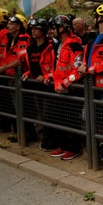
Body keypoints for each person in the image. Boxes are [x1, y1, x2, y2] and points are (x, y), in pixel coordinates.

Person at [78, 4, 103, 162]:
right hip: (91, 85)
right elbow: (86, 57)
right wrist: (84, 67)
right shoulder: (92, 39)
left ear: (101, 18)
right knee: (93, 116)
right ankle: (101, 142)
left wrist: (88, 69)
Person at [48, 14, 85, 161]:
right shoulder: (60, 44)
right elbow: (59, 67)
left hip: (71, 90)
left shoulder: (74, 43)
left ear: (62, 28)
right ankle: (63, 146)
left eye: (54, 28)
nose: (52, 31)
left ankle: (74, 148)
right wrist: (51, 77)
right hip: (59, 88)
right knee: (59, 119)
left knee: (72, 120)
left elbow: (77, 71)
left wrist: (65, 84)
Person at [22, 18, 57, 149]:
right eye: (32, 29)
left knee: (48, 114)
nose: (33, 31)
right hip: (35, 85)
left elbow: (56, 66)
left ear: (43, 30)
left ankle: (50, 141)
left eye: (36, 28)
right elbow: (31, 66)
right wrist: (27, 74)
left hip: (48, 86)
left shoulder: (52, 46)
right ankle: (44, 138)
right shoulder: (30, 48)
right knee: (41, 113)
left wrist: (47, 76)